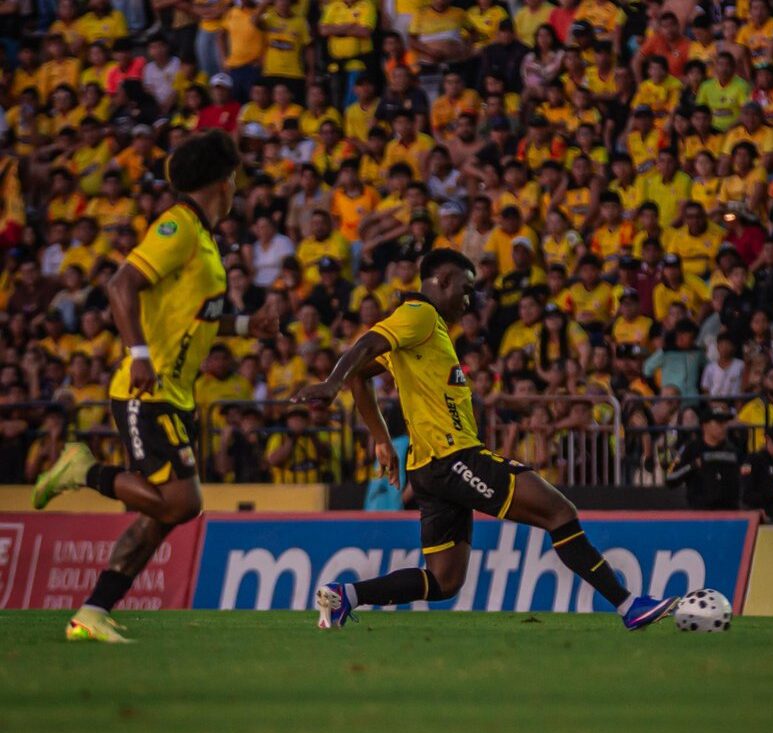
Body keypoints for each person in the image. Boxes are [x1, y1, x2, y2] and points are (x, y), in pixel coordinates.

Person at [293, 249, 679, 630]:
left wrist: (380, 438)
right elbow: (362, 349)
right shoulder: (420, 314)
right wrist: (331, 384)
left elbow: (362, 373)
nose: (469, 301)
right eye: (465, 289)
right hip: (453, 458)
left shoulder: (423, 332)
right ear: (441, 281)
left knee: (445, 580)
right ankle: (629, 605)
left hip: (429, 470)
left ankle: (346, 596)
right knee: (559, 512)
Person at [31, 130, 279, 643]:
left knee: (163, 515)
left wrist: (244, 327)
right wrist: (138, 354)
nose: (236, 187)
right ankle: (83, 469)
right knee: (182, 504)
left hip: (176, 394)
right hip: (148, 390)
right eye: (234, 177)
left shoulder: (206, 240)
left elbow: (197, 316)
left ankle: (93, 611)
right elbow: (121, 283)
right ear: (223, 181)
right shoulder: (178, 225)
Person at [665, 405, 741, 510]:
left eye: (725, 423)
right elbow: (671, 478)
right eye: (719, 423)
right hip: (700, 513)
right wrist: (693, 465)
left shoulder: (732, 449)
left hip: (729, 513)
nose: (723, 427)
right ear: (705, 426)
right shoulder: (691, 448)